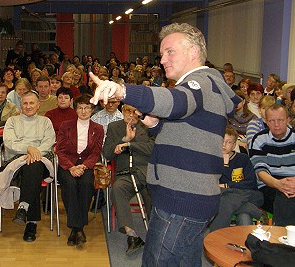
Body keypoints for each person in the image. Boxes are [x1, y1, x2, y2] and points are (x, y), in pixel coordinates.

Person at [89, 22, 239, 267]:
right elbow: (189, 132)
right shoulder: (206, 85)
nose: (162, 60)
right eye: (161, 54)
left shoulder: (199, 82)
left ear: (193, 52)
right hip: (190, 198)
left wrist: (122, 90)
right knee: (186, 261)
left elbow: (176, 102)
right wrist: (156, 125)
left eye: (170, 51)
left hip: (182, 200)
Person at [2, 91, 56, 242]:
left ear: (38, 105)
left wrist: (35, 152)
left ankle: (23, 207)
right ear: (20, 105)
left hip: (41, 159)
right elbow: (10, 143)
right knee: (31, 168)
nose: (28, 106)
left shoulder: (45, 121)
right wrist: (29, 149)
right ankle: (31, 223)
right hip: (16, 161)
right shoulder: (12, 121)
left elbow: (49, 141)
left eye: (32, 103)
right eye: (25, 103)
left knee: (34, 165)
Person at [103, 104, 155, 255]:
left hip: (146, 172)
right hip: (125, 173)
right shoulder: (114, 127)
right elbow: (106, 153)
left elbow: (153, 148)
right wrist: (123, 139)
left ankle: (155, 231)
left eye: (135, 112)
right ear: (122, 111)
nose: (131, 115)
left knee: (153, 192)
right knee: (117, 189)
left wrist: (130, 144)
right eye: (128, 111)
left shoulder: (148, 126)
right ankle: (132, 235)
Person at [56, 94, 104, 247]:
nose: (83, 111)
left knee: (86, 185)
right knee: (69, 185)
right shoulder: (65, 125)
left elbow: (96, 153)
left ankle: (75, 229)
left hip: (86, 164)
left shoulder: (98, 128)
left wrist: (83, 166)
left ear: (92, 109)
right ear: (75, 109)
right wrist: (71, 166)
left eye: (87, 108)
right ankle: (79, 228)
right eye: (80, 108)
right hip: (68, 163)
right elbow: (60, 150)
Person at [208, 127, 263, 232]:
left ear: (234, 145)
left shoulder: (243, 159)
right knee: (244, 216)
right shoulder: (212, 159)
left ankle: (215, 239)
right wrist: (223, 165)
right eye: (222, 141)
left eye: (228, 142)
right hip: (227, 197)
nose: (224, 145)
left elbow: (251, 183)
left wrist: (229, 185)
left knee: (225, 197)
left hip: (244, 193)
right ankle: (250, 209)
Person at [250, 104, 295, 226]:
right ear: (266, 122)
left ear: (288, 120)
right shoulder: (259, 140)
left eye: (280, 120)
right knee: (285, 199)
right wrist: (279, 184)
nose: (276, 124)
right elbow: (260, 172)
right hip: (270, 186)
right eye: (272, 121)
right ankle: (284, 239)